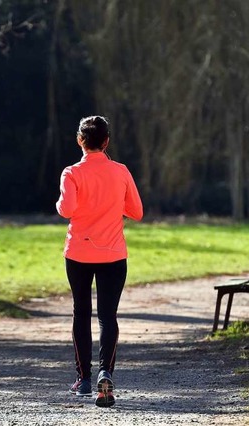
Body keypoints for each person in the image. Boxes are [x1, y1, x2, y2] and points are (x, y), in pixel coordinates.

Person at [56, 115, 143, 408]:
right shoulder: (121, 171)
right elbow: (137, 211)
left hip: (78, 253)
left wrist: (61, 203)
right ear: (106, 142)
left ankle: (83, 380)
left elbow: (66, 209)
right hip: (114, 254)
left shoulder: (71, 173)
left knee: (81, 313)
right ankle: (107, 371)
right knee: (108, 316)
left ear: (80, 140)